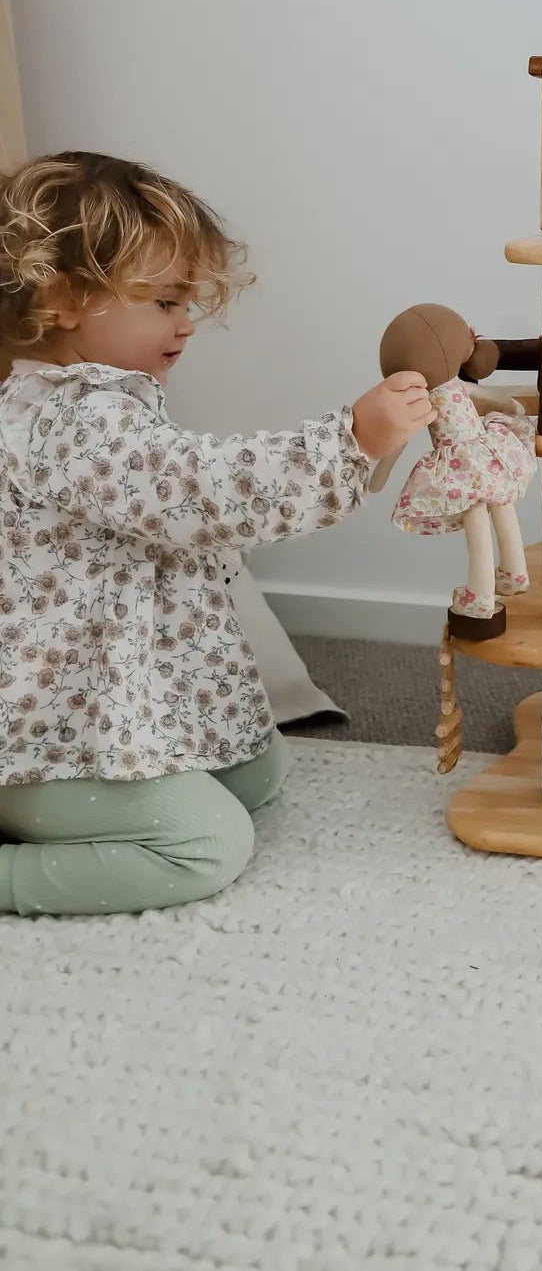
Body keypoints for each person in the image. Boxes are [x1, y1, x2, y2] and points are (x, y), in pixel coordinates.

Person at [0, 151, 432, 917]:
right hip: (45, 737)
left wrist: (365, 449)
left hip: (105, 699)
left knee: (256, 770)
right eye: (162, 300)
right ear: (63, 297)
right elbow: (203, 488)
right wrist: (348, 442)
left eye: (187, 301)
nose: (186, 322)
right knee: (205, 845)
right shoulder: (71, 420)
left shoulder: (102, 404)